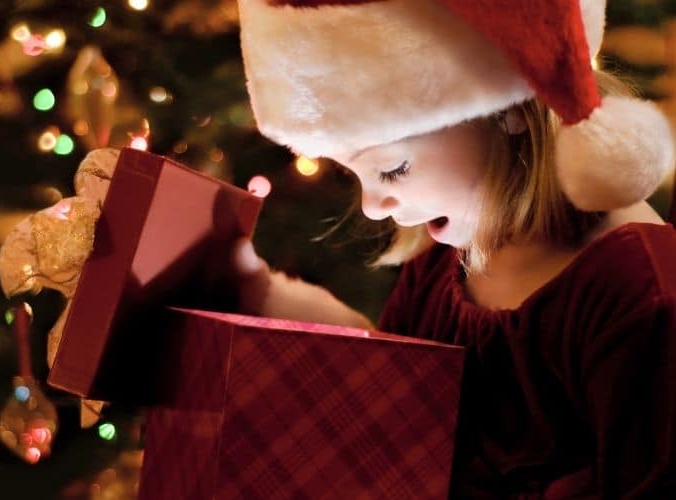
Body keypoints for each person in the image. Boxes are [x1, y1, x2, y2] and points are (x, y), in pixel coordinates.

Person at [227, 0, 676, 497]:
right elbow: (398, 413)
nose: (374, 207)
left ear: (508, 109)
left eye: (393, 169)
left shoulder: (637, 293)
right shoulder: (444, 262)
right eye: (352, 174)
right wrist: (270, 306)